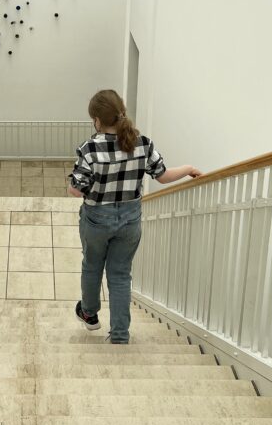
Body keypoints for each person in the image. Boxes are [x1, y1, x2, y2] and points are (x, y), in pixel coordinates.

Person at [68, 89, 201, 344]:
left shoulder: (90, 148)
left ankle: (89, 314)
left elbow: (76, 189)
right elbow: (162, 175)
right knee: (120, 274)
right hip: (130, 218)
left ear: (97, 120)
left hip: (97, 217)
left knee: (92, 264)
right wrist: (188, 169)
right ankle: (119, 334)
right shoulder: (142, 143)